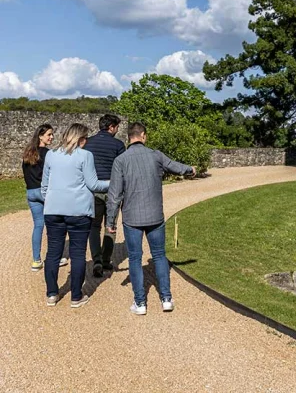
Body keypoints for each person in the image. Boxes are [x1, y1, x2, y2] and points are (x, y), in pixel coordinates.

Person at [106, 122, 195, 315]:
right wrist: (190, 169)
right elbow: (175, 167)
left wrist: (110, 222)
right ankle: (166, 299)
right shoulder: (156, 155)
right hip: (155, 216)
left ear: (129, 137)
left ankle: (140, 303)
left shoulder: (121, 160)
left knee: (135, 259)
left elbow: (114, 196)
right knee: (159, 255)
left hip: (132, 218)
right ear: (143, 135)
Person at [41, 123, 109, 308]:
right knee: (78, 253)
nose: (86, 142)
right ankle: (76, 296)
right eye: (85, 138)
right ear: (80, 139)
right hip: (79, 210)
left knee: (53, 253)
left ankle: (52, 294)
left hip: (54, 210)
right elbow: (94, 184)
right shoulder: (85, 155)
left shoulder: (51, 154)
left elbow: (44, 185)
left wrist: (51, 200)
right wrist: (113, 183)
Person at [22, 124, 68, 271]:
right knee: (55, 225)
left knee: (38, 226)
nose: (52, 137)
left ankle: (36, 260)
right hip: (44, 192)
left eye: (52, 134)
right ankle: (56, 257)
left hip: (31, 192)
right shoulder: (48, 154)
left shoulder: (27, 153)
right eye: (49, 134)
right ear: (40, 136)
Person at [84, 114, 125, 277]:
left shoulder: (88, 143)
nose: (117, 130)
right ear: (111, 127)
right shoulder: (118, 145)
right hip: (112, 190)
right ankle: (106, 259)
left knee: (94, 226)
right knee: (111, 225)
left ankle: (97, 260)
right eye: (116, 127)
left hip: (93, 190)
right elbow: (123, 169)